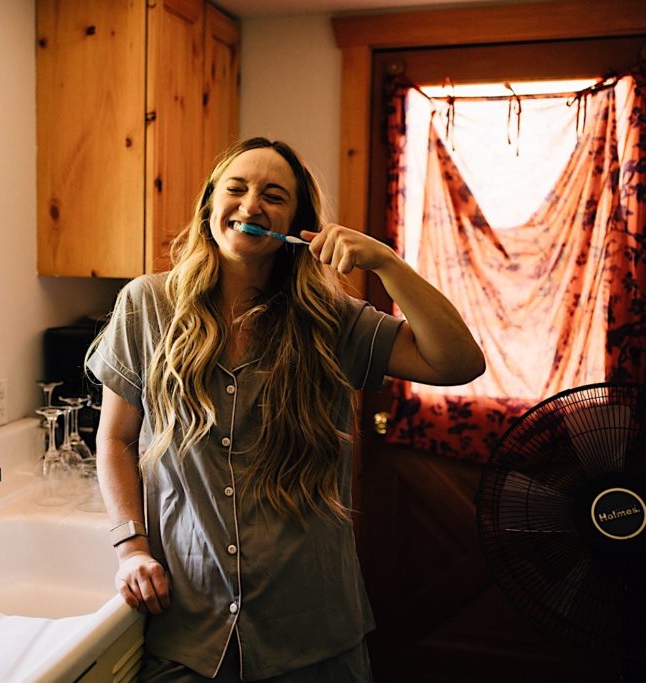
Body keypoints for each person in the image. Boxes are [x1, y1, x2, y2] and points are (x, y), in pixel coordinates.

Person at [86, 137, 485, 682]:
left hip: (312, 634)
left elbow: (458, 362)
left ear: (298, 224)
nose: (251, 205)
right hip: (190, 633)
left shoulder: (331, 320)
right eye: (237, 188)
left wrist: (388, 264)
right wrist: (130, 547)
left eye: (273, 196)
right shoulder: (146, 305)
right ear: (210, 205)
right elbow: (115, 439)